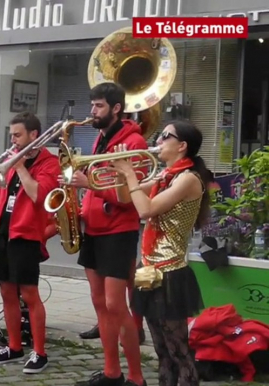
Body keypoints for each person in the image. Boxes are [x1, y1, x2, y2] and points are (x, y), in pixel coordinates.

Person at [111, 120, 207, 386]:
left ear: (182, 146)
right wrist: (121, 174)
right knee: (161, 350)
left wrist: (130, 174)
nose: (159, 140)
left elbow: (146, 210)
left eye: (165, 136)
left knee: (179, 351)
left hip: (171, 271)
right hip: (148, 266)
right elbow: (124, 198)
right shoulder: (164, 176)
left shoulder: (188, 179)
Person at [64, 82, 146, 386]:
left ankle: (137, 378)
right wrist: (81, 209)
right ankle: (112, 371)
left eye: (98, 106)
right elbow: (100, 183)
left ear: (116, 108)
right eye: (91, 105)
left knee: (115, 305)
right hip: (95, 228)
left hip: (119, 230)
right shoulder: (101, 138)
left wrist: (89, 185)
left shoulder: (133, 142)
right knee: (99, 302)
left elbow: (127, 196)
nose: (92, 112)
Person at [0, 112, 58, 373]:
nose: (12, 141)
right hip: (2, 233)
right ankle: (14, 346)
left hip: (26, 236)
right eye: (11, 135)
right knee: (6, 293)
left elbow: (39, 194)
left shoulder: (49, 163)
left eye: (17, 135)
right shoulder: (9, 160)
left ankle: (40, 352)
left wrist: (20, 166)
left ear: (34, 136)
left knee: (30, 295)